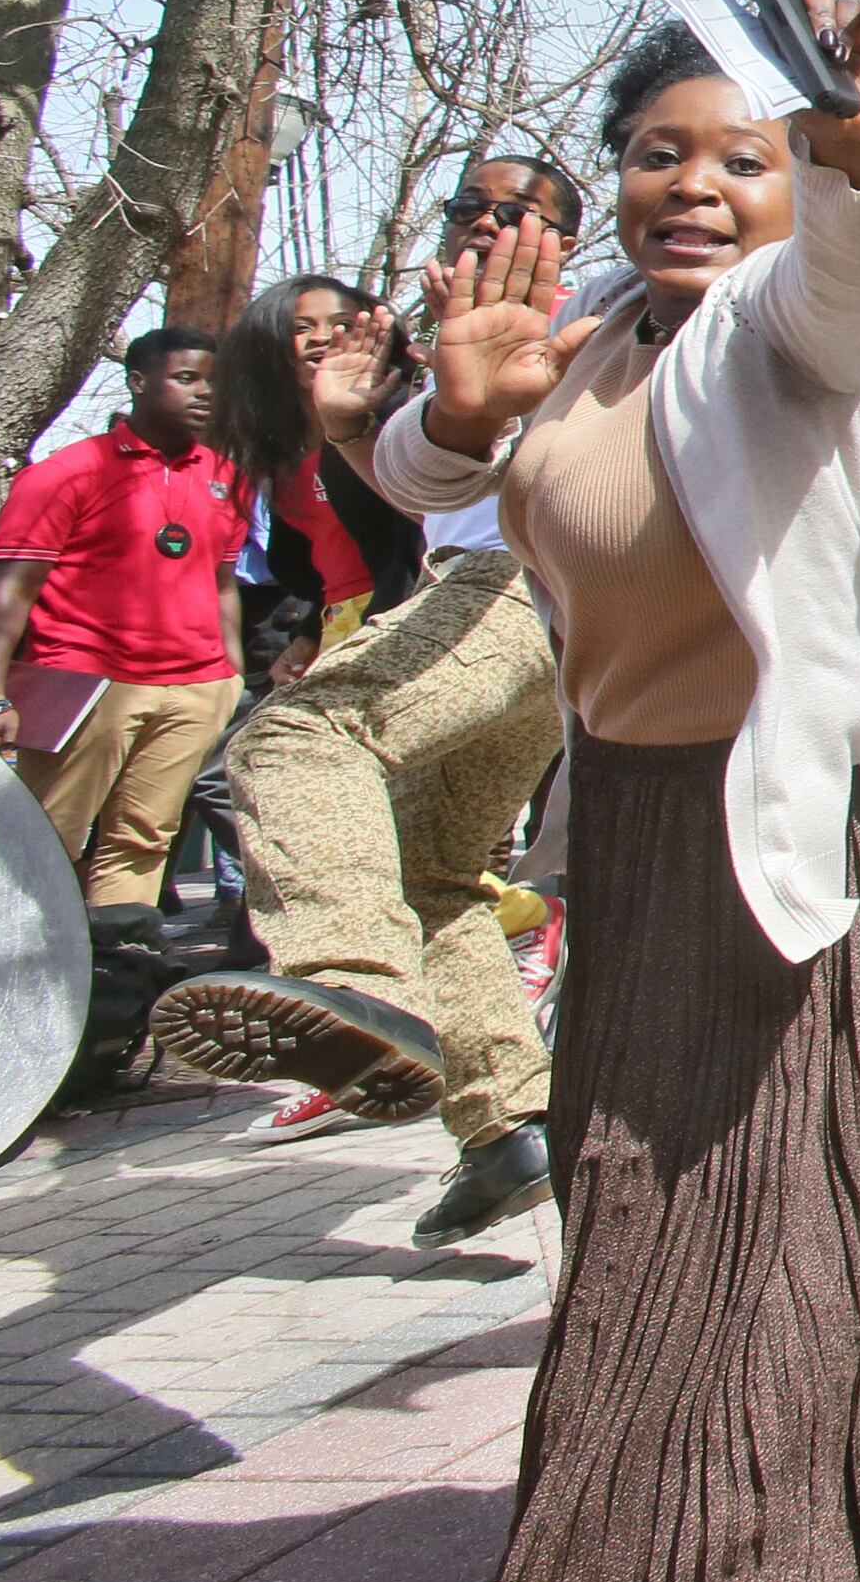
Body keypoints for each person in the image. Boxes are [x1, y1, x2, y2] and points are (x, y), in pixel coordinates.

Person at [376, 0, 860, 1582]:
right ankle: (621, 1543)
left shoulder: (786, 324)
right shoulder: (598, 322)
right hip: (624, 819)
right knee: (621, 1195)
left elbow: (853, 284)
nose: (692, 186)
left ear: (787, 182)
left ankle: (765, 1554)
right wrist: (459, 412)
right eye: (654, 154)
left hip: (788, 825)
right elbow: (430, 476)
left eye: (740, 161)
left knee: (755, 1220)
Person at [150, 154, 591, 1246]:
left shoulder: (591, 313)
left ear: (565, 236)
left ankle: (355, 987)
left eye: (522, 211)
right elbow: (420, 498)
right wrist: (352, 422)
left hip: (520, 588)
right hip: (509, 617)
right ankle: (504, 1127)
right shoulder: (416, 360)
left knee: (292, 737)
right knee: (429, 872)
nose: (491, 224)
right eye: (470, 208)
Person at [0, 329, 248, 942]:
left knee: (145, 838)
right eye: (186, 378)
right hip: (85, 684)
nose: (205, 393)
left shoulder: (227, 476)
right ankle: (10, 964)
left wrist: (230, 675)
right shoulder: (70, 472)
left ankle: (114, 979)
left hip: (195, 689)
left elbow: (224, 581)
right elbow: (10, 593)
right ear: (138, 381)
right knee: (43, 837)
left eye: (215, 381)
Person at [211, 275, 423, 677]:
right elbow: (320, 578)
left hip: (402, 625)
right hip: (339, 628)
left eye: (342, 323)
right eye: (300, 327)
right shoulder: (276, 458)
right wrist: (308, 636)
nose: (323, 337)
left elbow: (421, 541)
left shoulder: (397, 426)